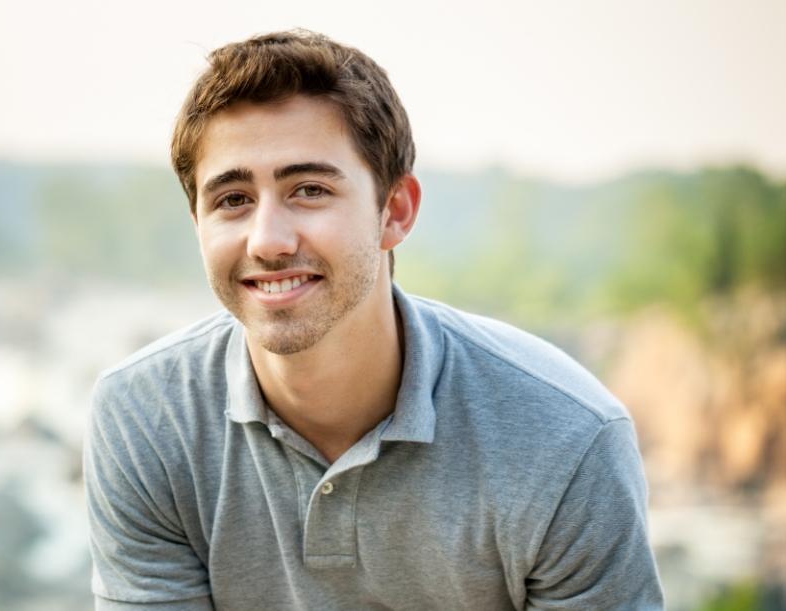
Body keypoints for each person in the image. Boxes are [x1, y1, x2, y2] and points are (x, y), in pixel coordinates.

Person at [84, 30, 664, 610]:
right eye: (233, 199)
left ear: (396, 211)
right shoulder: (143, 418)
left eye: (309, 190)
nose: (267, 241)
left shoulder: (567, 440)